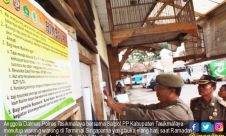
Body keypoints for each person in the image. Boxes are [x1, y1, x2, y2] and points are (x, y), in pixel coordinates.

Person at [104, 74, 193, 121]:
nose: (156, 91)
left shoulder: (176, 111)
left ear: (172, 91)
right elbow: (142, 108)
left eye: (160, 88)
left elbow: (144, 116)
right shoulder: (168, 104)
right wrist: (114, 103)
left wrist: (112, 104)